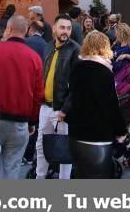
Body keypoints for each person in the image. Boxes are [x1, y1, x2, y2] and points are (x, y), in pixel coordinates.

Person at [0, 15, 44, 179]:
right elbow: (38, 93)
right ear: (26, 31)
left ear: (8, 29)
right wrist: (33, 121)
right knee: (12, 168)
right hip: (20, 122)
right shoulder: (34, 58)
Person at [65, 31, 127, 178]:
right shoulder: (103, 72)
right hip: (97, 137)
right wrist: (121, 130)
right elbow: (110, 106)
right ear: (104, 47)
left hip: (76, 135)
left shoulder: (77, 68)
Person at [35, 15, 80, 180]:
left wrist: (66, 109)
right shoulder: (47, 47)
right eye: (62, 27)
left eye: (68, 28)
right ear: (54, 28)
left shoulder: (75, 50)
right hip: (45, 106)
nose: (65, 31)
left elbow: (77, 85)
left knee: (64, 148)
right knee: (41, 145)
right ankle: (40, 178)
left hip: (62, 109)